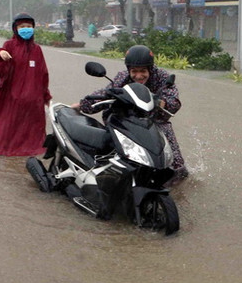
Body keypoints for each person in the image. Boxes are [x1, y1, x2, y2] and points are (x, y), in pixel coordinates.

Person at [74, 45, 188, 181]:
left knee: (178, 170)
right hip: (125, 122)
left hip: (153, 122)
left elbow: (173, 101)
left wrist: (160, 102)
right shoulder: (122, 78)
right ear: (129, 70)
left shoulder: (163, 78)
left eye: (143, 71)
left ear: (150, 69)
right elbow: (106, 93)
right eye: (134, 71)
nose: (138, 76)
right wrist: (82, 105)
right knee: (105, 150)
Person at [0, 12, 52, 156]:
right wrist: (0, 54)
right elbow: (0, 66)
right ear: (16, 28)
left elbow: (43, 73)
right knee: (7, 126)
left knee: (33, 129)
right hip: (12, 97)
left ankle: (31, 150)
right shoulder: (9, 45)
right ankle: (4, 150)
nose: (26, 29)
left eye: (29, 26)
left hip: (34, 99)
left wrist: (46, 96)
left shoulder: (37, 49)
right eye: (22, 26)